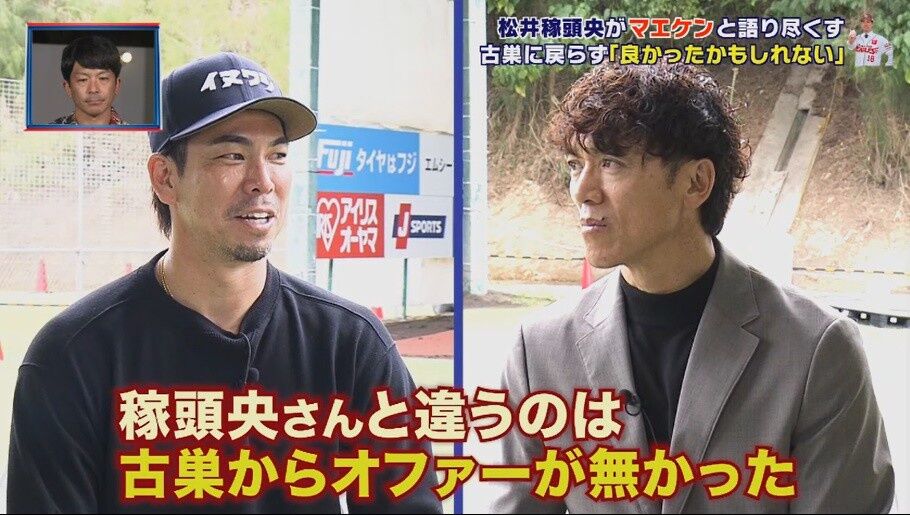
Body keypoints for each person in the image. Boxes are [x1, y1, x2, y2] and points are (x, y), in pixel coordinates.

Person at [9, 52, 441, 513]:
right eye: (232, 155)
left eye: (277, 155)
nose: (262, 182)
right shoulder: (73, 359)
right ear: (165, 178)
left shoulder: (350, 345)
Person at [492, 61, 894, 513]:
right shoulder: (540, 351)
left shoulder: (816, 350)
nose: (582, 190)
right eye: (574, 165)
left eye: (611, 163)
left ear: (696, 182)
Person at [52, 34, 125, 125]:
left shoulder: (136, 133)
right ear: (68, 88)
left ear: (116, 85)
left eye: (103, 78)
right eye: (83, 80)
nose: (93, 89)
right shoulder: (47, 133)